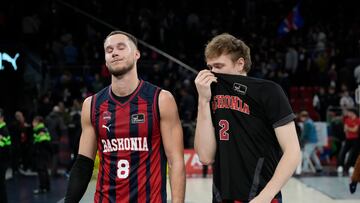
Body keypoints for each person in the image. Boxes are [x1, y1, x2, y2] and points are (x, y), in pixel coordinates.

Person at [65, 30, 185, 203]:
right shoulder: (91, 105)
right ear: (106, 60)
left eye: (121, 47)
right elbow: (84, 163)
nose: (114, 52)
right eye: (109, 50)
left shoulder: (161, 100)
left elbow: (176, 161)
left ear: (136, 54)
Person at [194, 33, 301, 202]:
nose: (213, 72)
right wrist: (202, 100)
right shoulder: (209, 94)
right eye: (210, 67)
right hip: (222, 196)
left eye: (219, 66)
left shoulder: (268, 91)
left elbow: (293, 151)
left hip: (261, 195)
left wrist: (265, 196)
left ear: (240, 64)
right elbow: (205, 157)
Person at [32, 116, 52, 194]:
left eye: (34, 122)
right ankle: (47, 187)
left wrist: (37, 150)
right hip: (44, 153)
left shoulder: (40, 130)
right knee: (44, 170)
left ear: (38, 122)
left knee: (41, 171)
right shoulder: (42, 129)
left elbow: (44, 142)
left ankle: (42, 188)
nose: (32, 124)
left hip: (41, 153)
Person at [0, 108, 11, 203]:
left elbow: (4, 147)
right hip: (2, 160)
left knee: (1, 185)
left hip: (2, 161)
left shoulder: (3, 130)